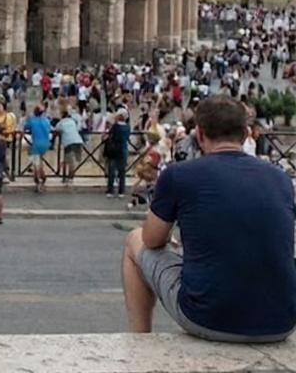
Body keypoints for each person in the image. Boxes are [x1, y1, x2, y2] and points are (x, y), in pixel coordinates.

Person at [121, 95, 296, 342]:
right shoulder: (280, 178)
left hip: (208, 319)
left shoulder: (178, 175)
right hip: (281, 322)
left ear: (200, 135)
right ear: (247, 134)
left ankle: (139, 342)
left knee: (134, 240)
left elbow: (151, 240)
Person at [23, 105, 53, 193]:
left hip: (36, 144)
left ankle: (38, 182)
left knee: (36, 164)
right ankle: (42, 178)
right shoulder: (46, 120)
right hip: (46, 143)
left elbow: (25, 127)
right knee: (40, 160)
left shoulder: (32, 120)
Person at [104, 110, 132, 198]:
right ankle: (121, 191)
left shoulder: (115, 126)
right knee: (122, 172)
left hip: (114, 150)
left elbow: (110, 135)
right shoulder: (128, 127)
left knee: (112, 171)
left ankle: (110, 190)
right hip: (123, 150)